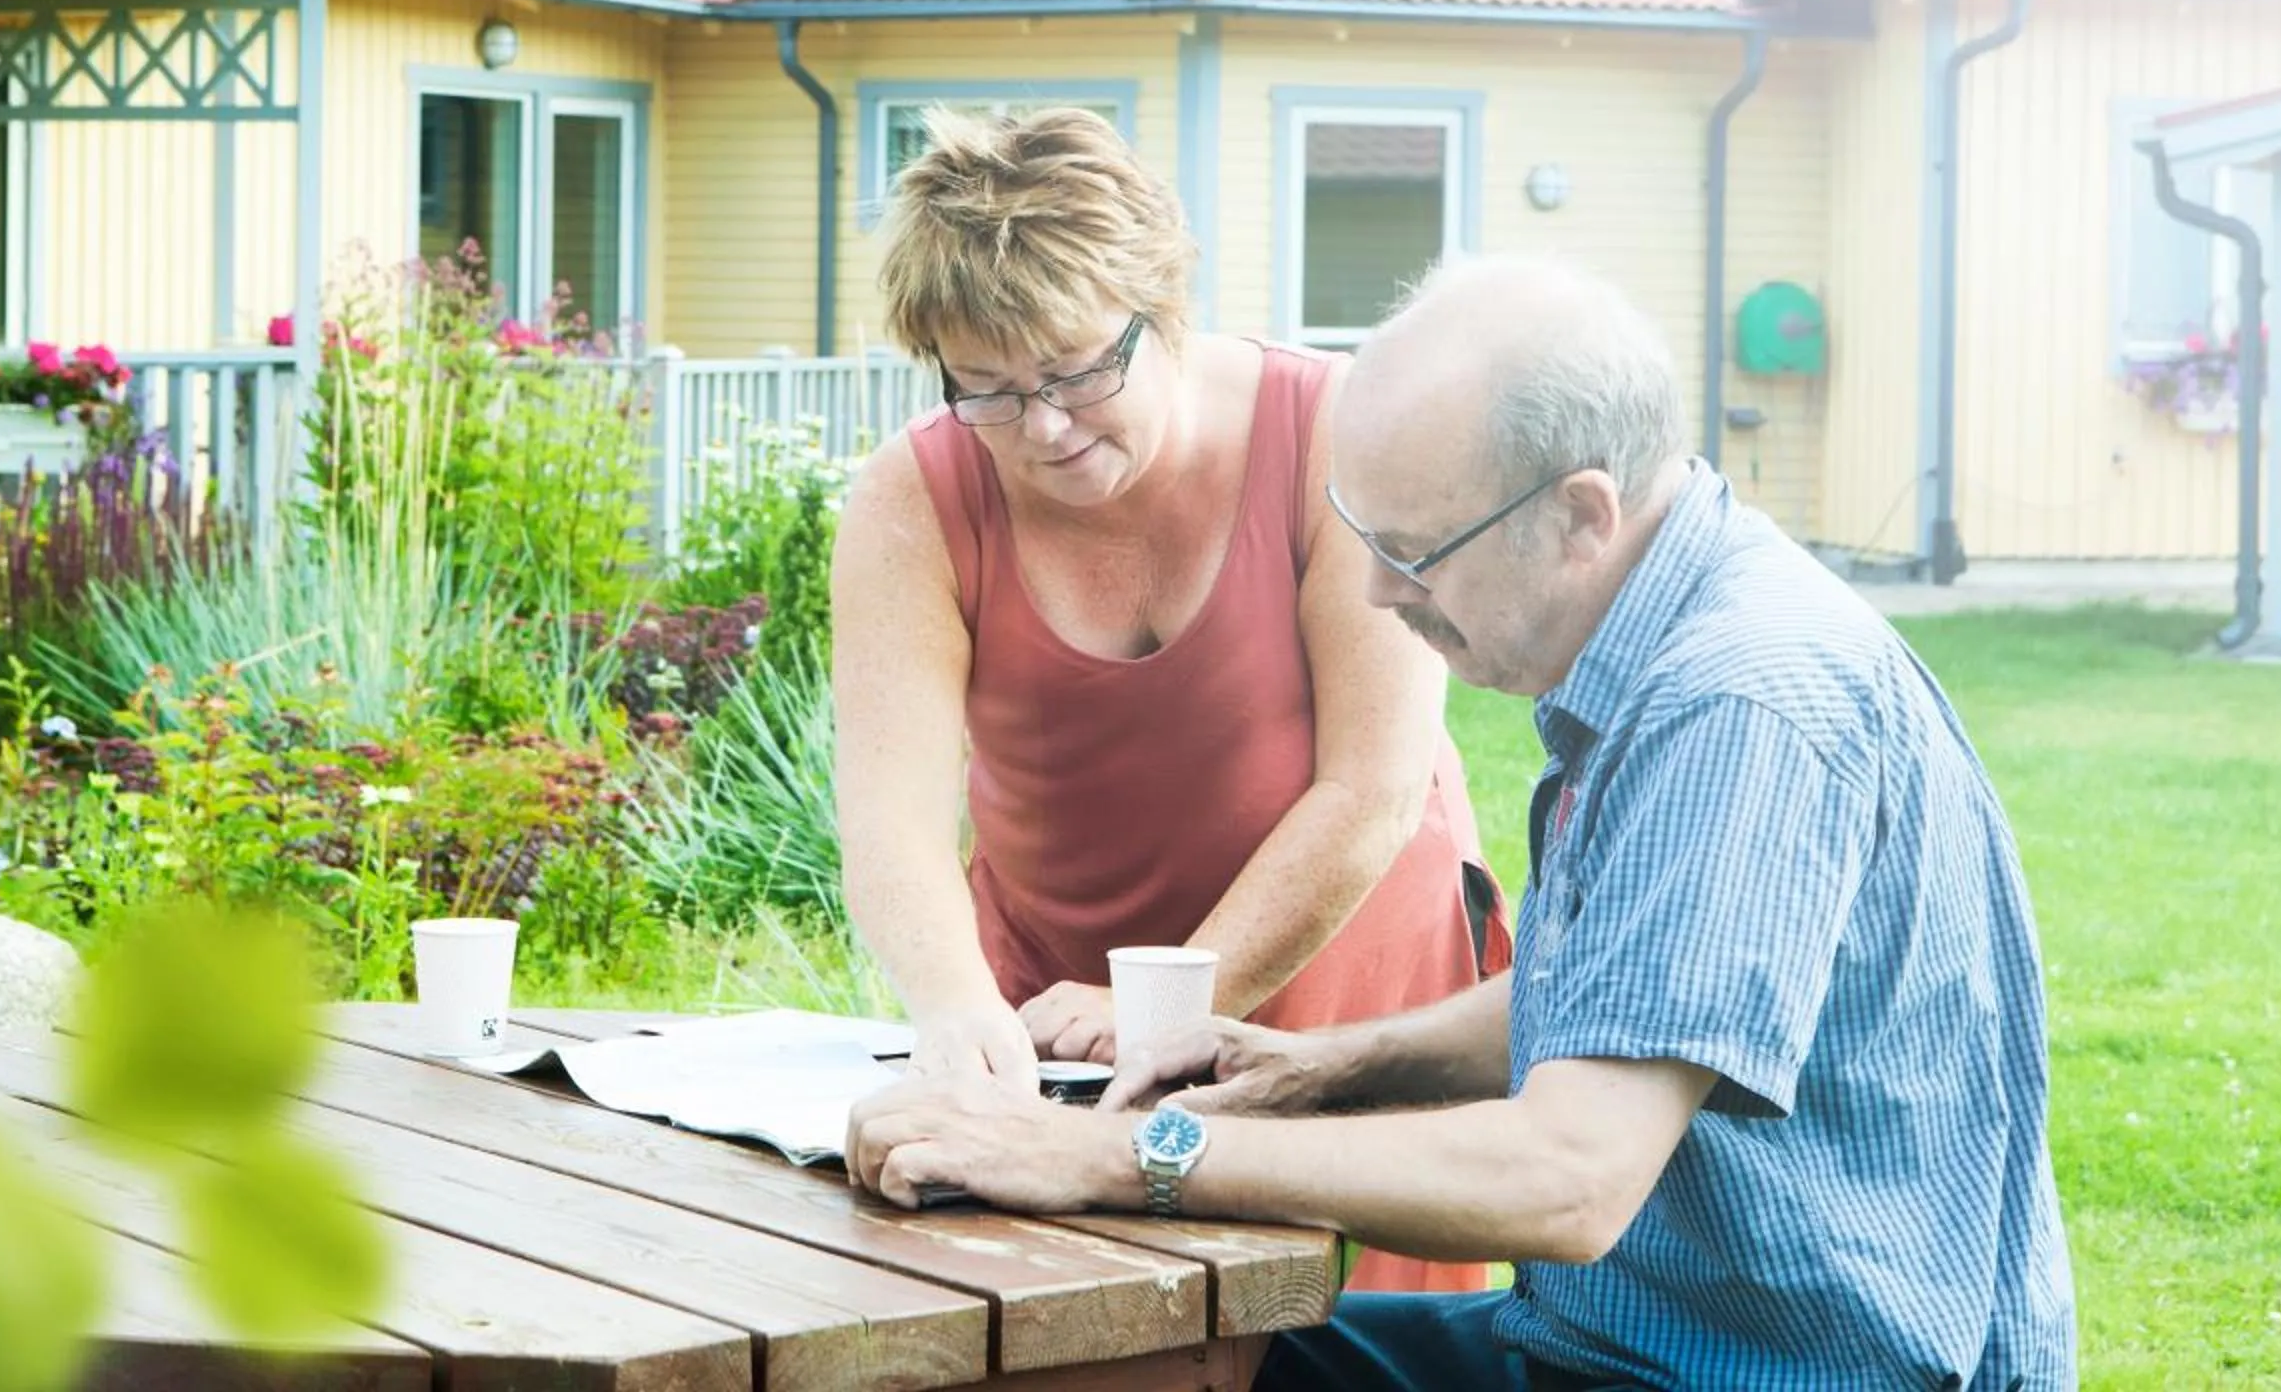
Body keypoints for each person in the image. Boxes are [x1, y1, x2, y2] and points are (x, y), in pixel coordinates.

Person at [845, 255, 2078, 1391]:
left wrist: (1125, 1158)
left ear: (1582, 514)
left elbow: (1568, 1178)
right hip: (1621, 1339)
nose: (1379, 590)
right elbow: (1625, 989)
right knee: (1119, 1360)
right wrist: (1322, 1068)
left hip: (1768, 1370)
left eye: (1415, 549)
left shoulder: (1734, 705)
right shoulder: (1671, 636)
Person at [830, 109, 1509, 1293]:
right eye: (985, 388)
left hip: (1340, 958)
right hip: (1059, 995)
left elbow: (1372, 786)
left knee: (1344, 1334)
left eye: (1080, 369)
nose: (1042, 428)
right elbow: (892, 816)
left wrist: (1182, 1001)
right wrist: (954, 1001)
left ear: (1165, 307)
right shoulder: (909, 498)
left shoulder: (1334, 433)